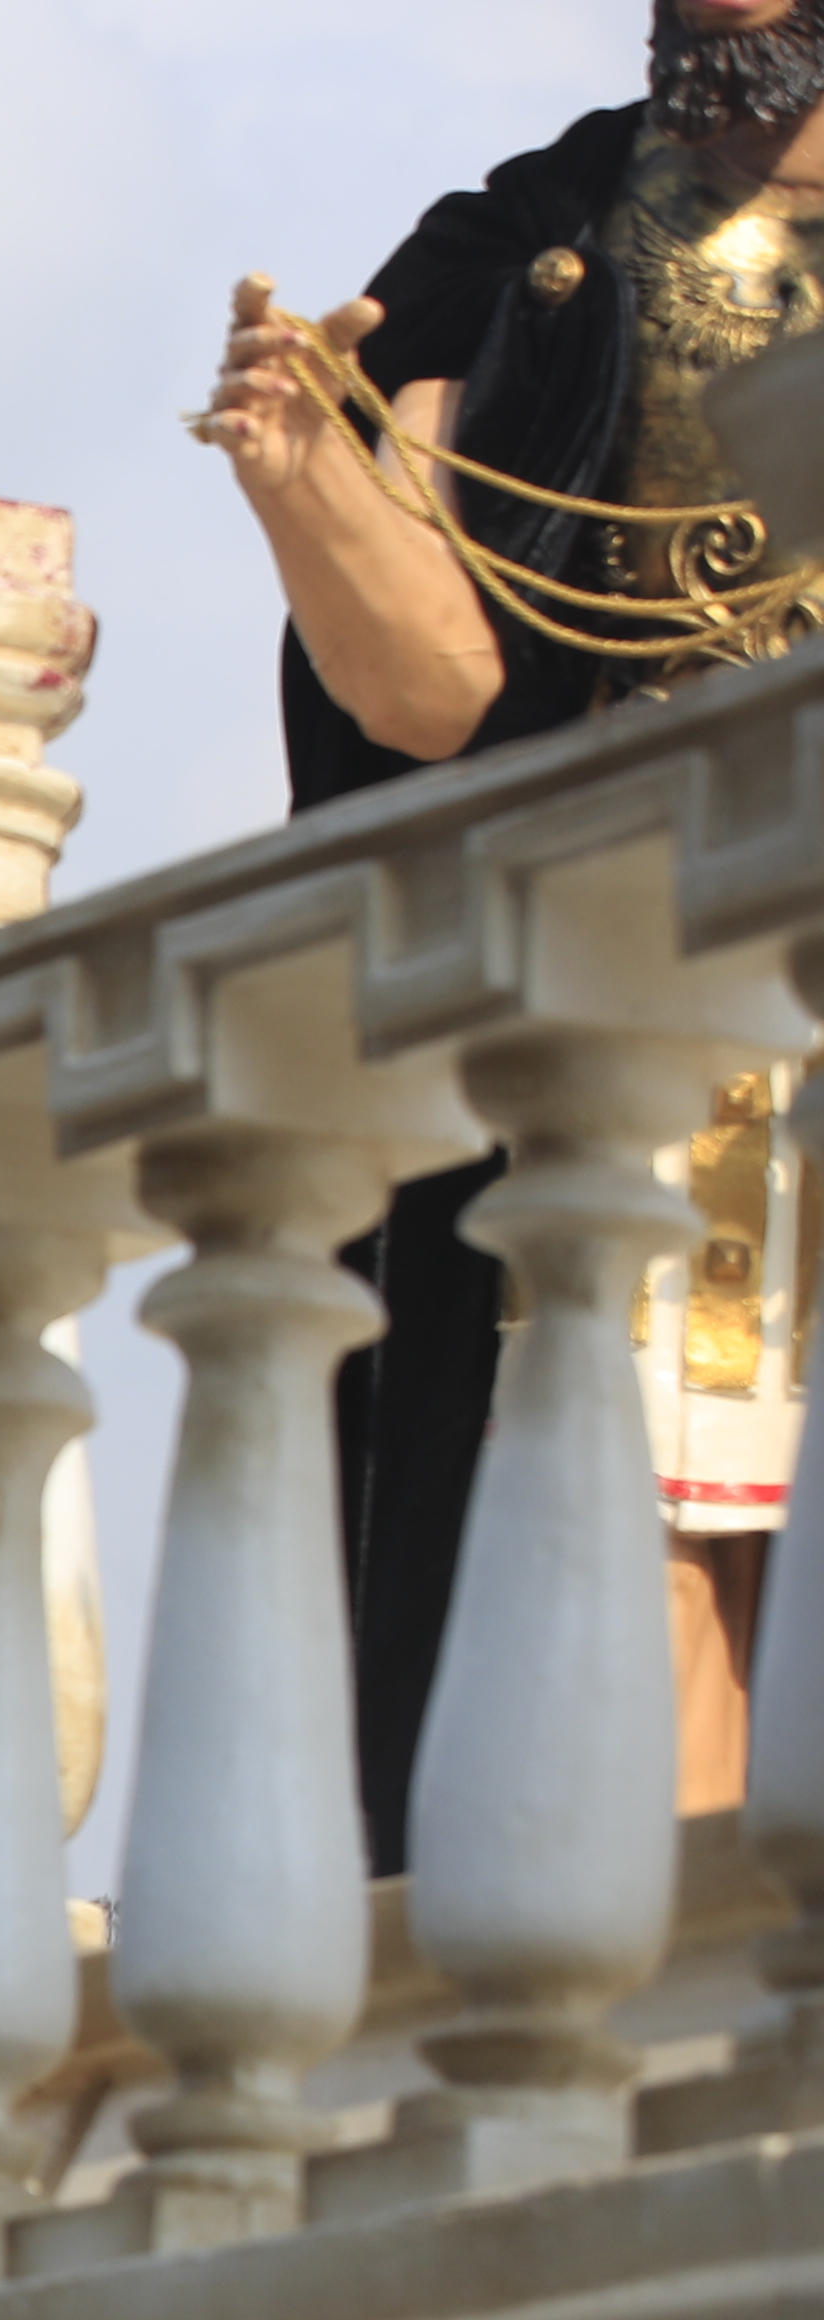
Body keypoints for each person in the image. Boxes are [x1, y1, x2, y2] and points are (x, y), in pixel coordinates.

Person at [202, 0, 824, 1850]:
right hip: (624, 998)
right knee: (609, 1505)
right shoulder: (541, 235)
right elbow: (436, 688)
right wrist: (303, 476)